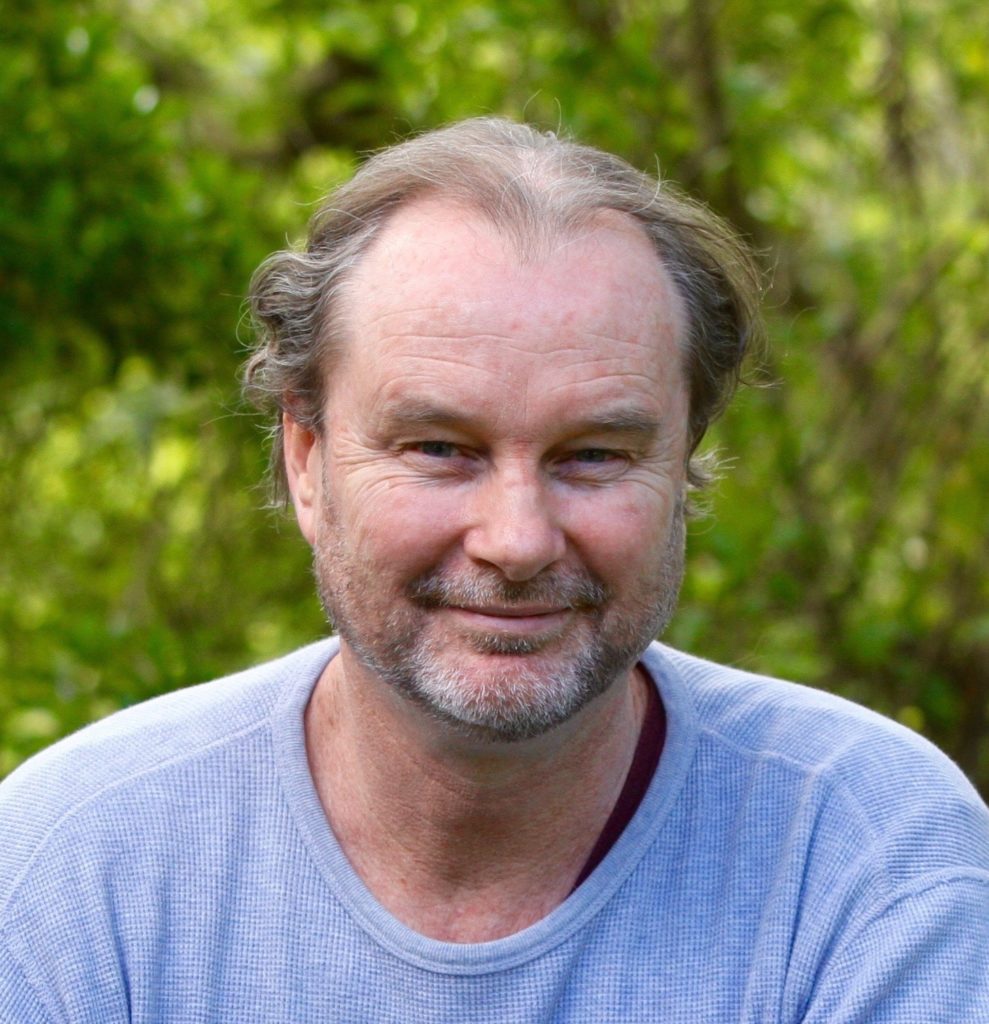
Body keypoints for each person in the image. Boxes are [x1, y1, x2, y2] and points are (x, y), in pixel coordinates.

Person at [2, 118, 987, 1024]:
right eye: (439, 448)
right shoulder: (71, 870)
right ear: (305, 460)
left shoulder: (866, 854)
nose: (516, 541)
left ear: (684, 463)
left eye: (592, 455)